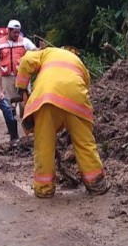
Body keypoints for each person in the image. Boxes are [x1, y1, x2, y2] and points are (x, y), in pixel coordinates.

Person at [15, 47, 109, 198]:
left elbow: (26, 61)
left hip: (47, 100)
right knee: (84, 142)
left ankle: (44, 188)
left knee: (44, 145)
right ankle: (96, 183)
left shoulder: (46, 52)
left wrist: (21, 88)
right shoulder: (79, 63)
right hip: (75, 99)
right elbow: (85, 85)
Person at [0, 19, 37, 116]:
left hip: (22, 76)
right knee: (9, 102)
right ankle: (12, 123)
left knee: (26, 99)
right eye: (14, 32)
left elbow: (35, 52)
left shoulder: (25, 41)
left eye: (18, 32)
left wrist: (41, 49)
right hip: (6, 77)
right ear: (8, 31)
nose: (17, 34)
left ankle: (28, 121)